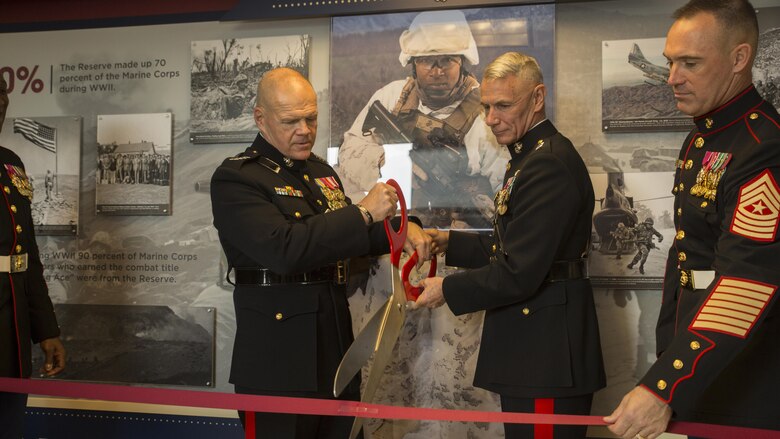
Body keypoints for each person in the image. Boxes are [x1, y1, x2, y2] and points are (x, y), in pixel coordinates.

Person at [210, 67, 430, 439]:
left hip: (336, 348)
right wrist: (361, 212)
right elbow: (285, 249)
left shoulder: (319, 170)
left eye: (310, 118)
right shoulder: (238, 178)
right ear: (260, 119)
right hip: (278, 359)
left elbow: (344, 239)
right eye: (291, 121)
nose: (304, 130)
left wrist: (399, 228)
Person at [605, 1, 780, 437]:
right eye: (670, 62)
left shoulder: (763, 148)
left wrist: (667, 385)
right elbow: (686, 263)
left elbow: (745, 284)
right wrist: (670, 353)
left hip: (744, 373)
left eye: (690, 63)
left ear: (739, 59)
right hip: (702, 359)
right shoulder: (701, 137)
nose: (671, 78)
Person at [415, 52, 606, 439]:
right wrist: (447, 243)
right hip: (536, 348)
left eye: (503, 105)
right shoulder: (529, 157)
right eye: (486, 106)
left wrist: (445, 289)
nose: (490, 118)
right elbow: (514, 247)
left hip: (546, 355)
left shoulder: (546, 164)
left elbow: (519, 271)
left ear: (537, 99)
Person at [338, 10, 508, 229]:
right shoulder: (392, 97)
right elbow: (350, 150)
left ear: (462, 62)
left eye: (447, 60)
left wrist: (475, 208)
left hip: (457, 238)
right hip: (397, 228)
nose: (437, 72)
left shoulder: (484, 113)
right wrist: (391, 163)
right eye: (427, 61)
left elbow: (503, 187)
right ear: (413, 64)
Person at [0, 73, 66, 439]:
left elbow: (27, 256)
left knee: (10, 424)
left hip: (13, 323)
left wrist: (45, 330)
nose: (0, 100)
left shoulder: (11, 163)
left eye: (2, 91)